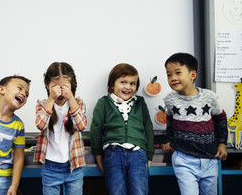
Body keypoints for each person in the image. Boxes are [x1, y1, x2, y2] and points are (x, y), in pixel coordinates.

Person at [162, 52, 228, 195]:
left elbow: (220, 118)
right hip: (183, 159)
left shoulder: (209, 96)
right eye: (168, 75)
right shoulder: (169, 99)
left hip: (210, 159)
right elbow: (171, 121)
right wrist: (169, 140)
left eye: (178, 73)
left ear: (192, 75)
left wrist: (222, 143)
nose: (172, 78)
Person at [90, 63, 154, 195]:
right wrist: (98, 157)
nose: (128, 87)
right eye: (123, 82)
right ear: (112, 85)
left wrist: (149, 156)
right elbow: (95, 129)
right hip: (113, 154)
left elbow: (148, 128)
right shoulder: (103, 103)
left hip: (138, 155)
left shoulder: (140, 103)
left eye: (132, 83)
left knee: (140, 192)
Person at [34, 62, 87, 195]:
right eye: (55, 87)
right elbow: (40, 125)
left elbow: (81, 126)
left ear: (72, 86)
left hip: (74, 166)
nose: (60, 92)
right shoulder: (42, 104)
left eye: (64, 87)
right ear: (47, 86)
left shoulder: (78, 103)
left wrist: (71, 99)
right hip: (51, 167)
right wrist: (51, 99)